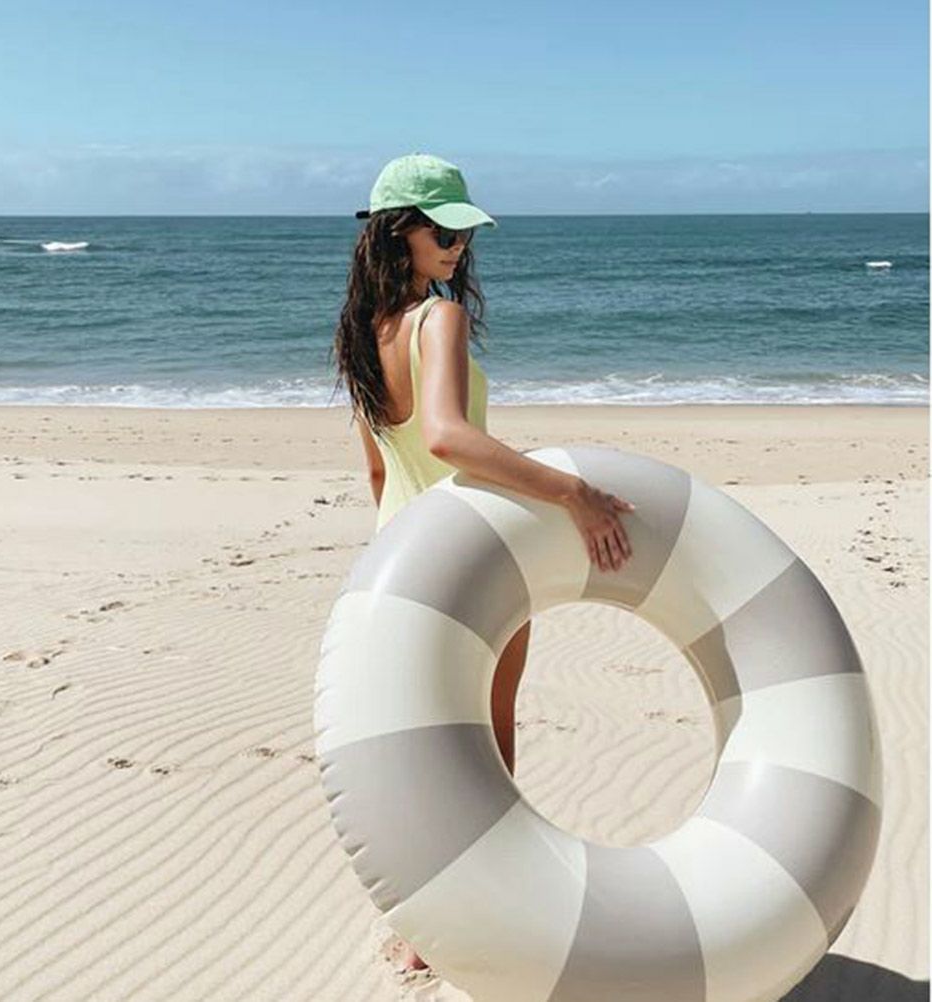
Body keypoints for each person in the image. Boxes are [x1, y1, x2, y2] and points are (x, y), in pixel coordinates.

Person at [330, 152, 635, 974]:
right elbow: (447, 438)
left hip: (399, 566)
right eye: (444, 230)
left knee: (424, 755)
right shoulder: (439, 319)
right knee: (488, 749)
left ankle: (419, 928)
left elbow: (378, 473)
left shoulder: (362, 332)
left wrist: (396, 562)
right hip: (468, 557)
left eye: (465, 232)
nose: (458, 244)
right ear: (400, 231)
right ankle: (477, 921)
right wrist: (572, 492)